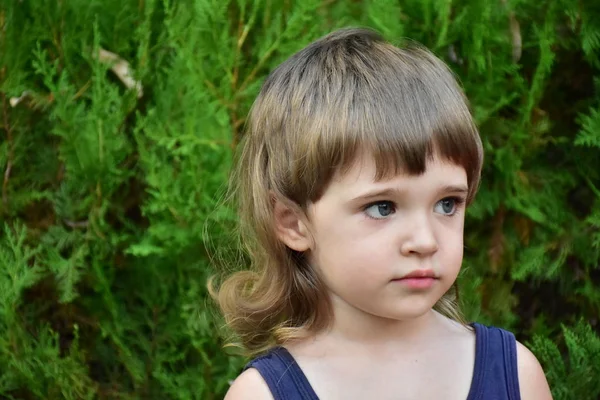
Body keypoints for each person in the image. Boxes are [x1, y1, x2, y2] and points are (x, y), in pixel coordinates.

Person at [215, 27, 553, 400]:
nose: (425, 241)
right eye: (383, 207)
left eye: (447, 204)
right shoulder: (264, 395)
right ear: (293, 223)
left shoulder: (516, 376)